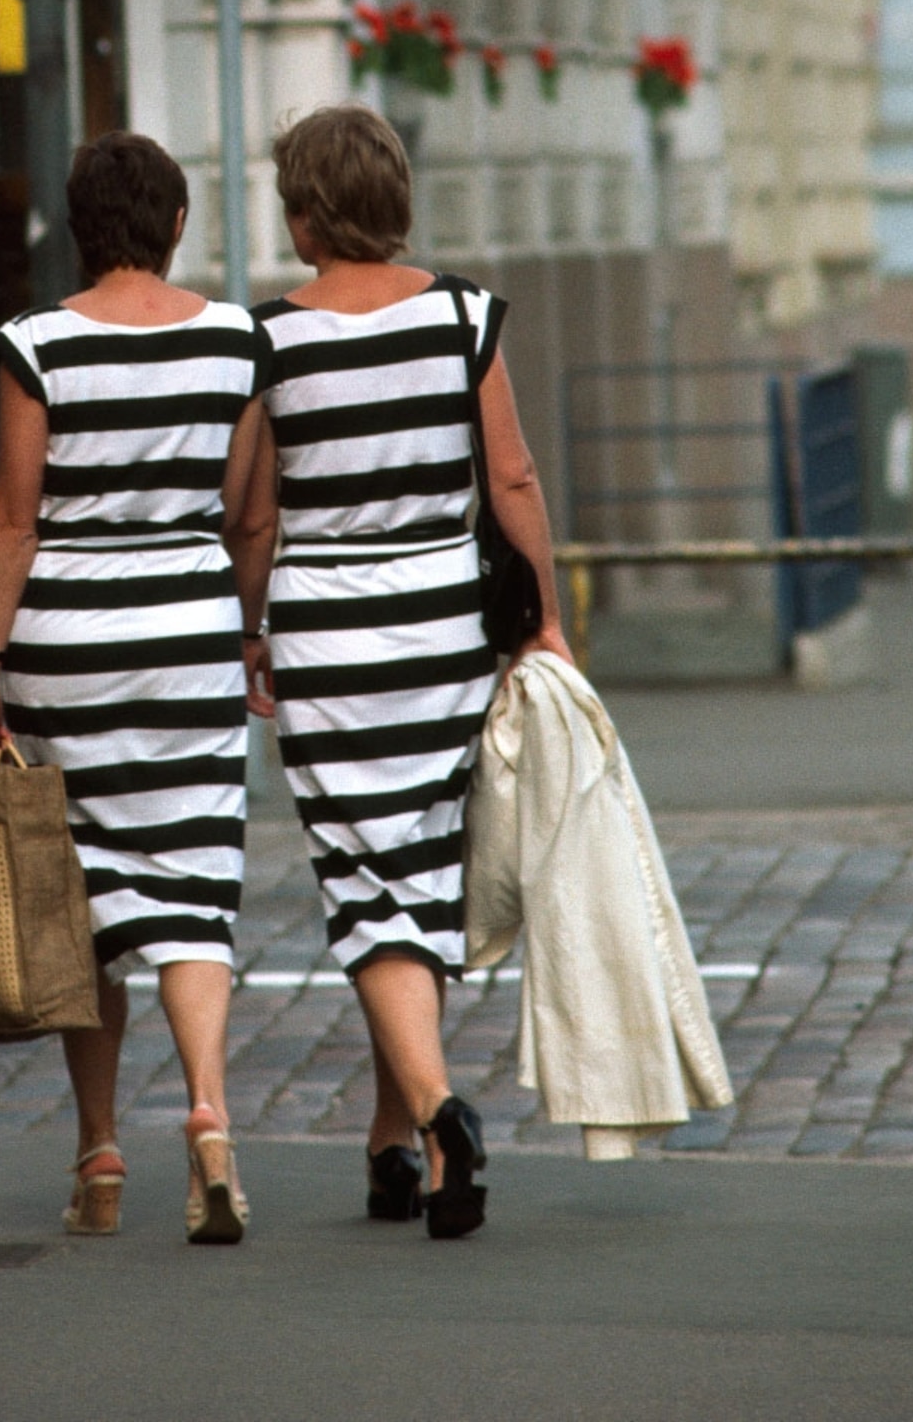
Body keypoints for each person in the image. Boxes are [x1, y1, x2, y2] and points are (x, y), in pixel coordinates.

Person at [245, 104, 571, 1239]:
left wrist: (250, 633)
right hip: (443, 627)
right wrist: (548, 626)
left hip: (326, 632)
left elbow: (257, 514)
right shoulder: (463, 317)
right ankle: (394, 1146)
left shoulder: (269, 341)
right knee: (422, 874)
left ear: (304, 213)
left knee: (366, 881)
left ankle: (436, 1111)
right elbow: (514, 479)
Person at [0, 132, 275, 1245]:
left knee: (80, 899)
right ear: (179, 225)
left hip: (66, 642)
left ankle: (99, 1151)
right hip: (189, 630)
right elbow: (250, 516)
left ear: (78, 227)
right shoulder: (241, 343)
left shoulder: (35, 343)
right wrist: (242, 628)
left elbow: (14, 516)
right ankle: (208, 1112)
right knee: (192, 883)